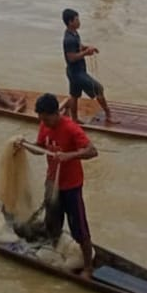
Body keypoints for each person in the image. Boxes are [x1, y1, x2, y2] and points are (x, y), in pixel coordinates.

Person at [17, 92, 98, 278]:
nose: (43, 122)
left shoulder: (71, 128)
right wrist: (24, 145)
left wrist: (70, 155)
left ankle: (88, 268)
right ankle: (55, 249)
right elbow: (40, 148)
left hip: (71, 187)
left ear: (56, 114)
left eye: (46, 118)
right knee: (52, 222)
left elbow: (92, 151)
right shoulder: (45, 126)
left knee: (80, 229)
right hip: (52, 183)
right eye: (41, 118)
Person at [60, 8, 116, 124]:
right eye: (76, 20)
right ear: (70, 22)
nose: (79, 22)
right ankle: (108, 115)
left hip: (75, 71)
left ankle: (74, 119)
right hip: (76, 73)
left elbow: (78, 46)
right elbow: (71, 57)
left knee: (74, 95)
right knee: (99, 89)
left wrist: (87, 48)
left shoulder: (74, 33)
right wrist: (86, 53)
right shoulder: (69, 39)